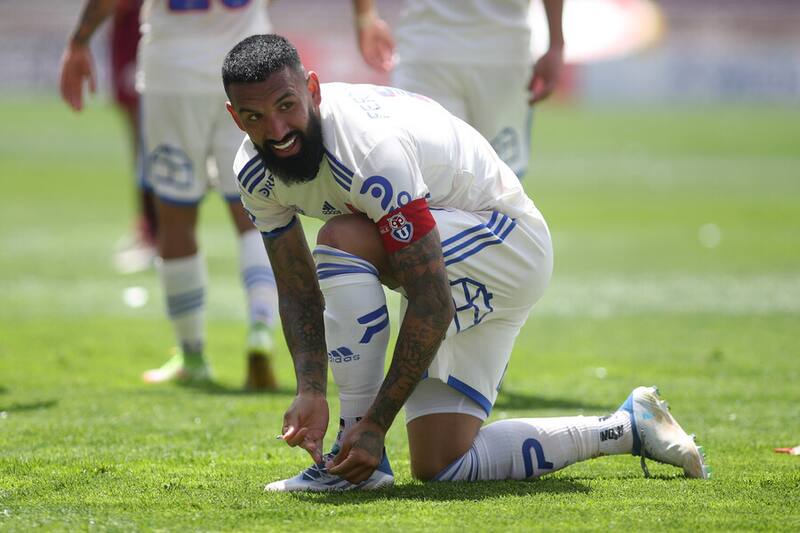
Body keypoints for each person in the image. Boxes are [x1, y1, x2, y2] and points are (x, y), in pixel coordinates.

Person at [221, 34, 710, 491]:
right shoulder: (252, 171)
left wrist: (372, 427)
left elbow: (432, 303)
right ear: (234, 116)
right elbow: (297, 286)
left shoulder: (369, 150)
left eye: (286, 106)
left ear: (312, 89)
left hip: (507, 244)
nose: (278, 130)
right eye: (255, 116)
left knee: (342, 239)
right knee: (442, 464)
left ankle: (349, 459)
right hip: (460, 261)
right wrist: (310, 389)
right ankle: (627, 426)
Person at [59, 0, 281, 390]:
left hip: (174, 74)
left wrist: (79, 42)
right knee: (256, 211)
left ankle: (192, 355)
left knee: (175, 215)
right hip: (249, 68)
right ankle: (260, 328)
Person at [353, 0, 565, 178]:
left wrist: (365, 16)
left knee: (426, 181)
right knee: (501, 187)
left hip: (427, 49)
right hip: (503, 52)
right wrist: (556, 42)